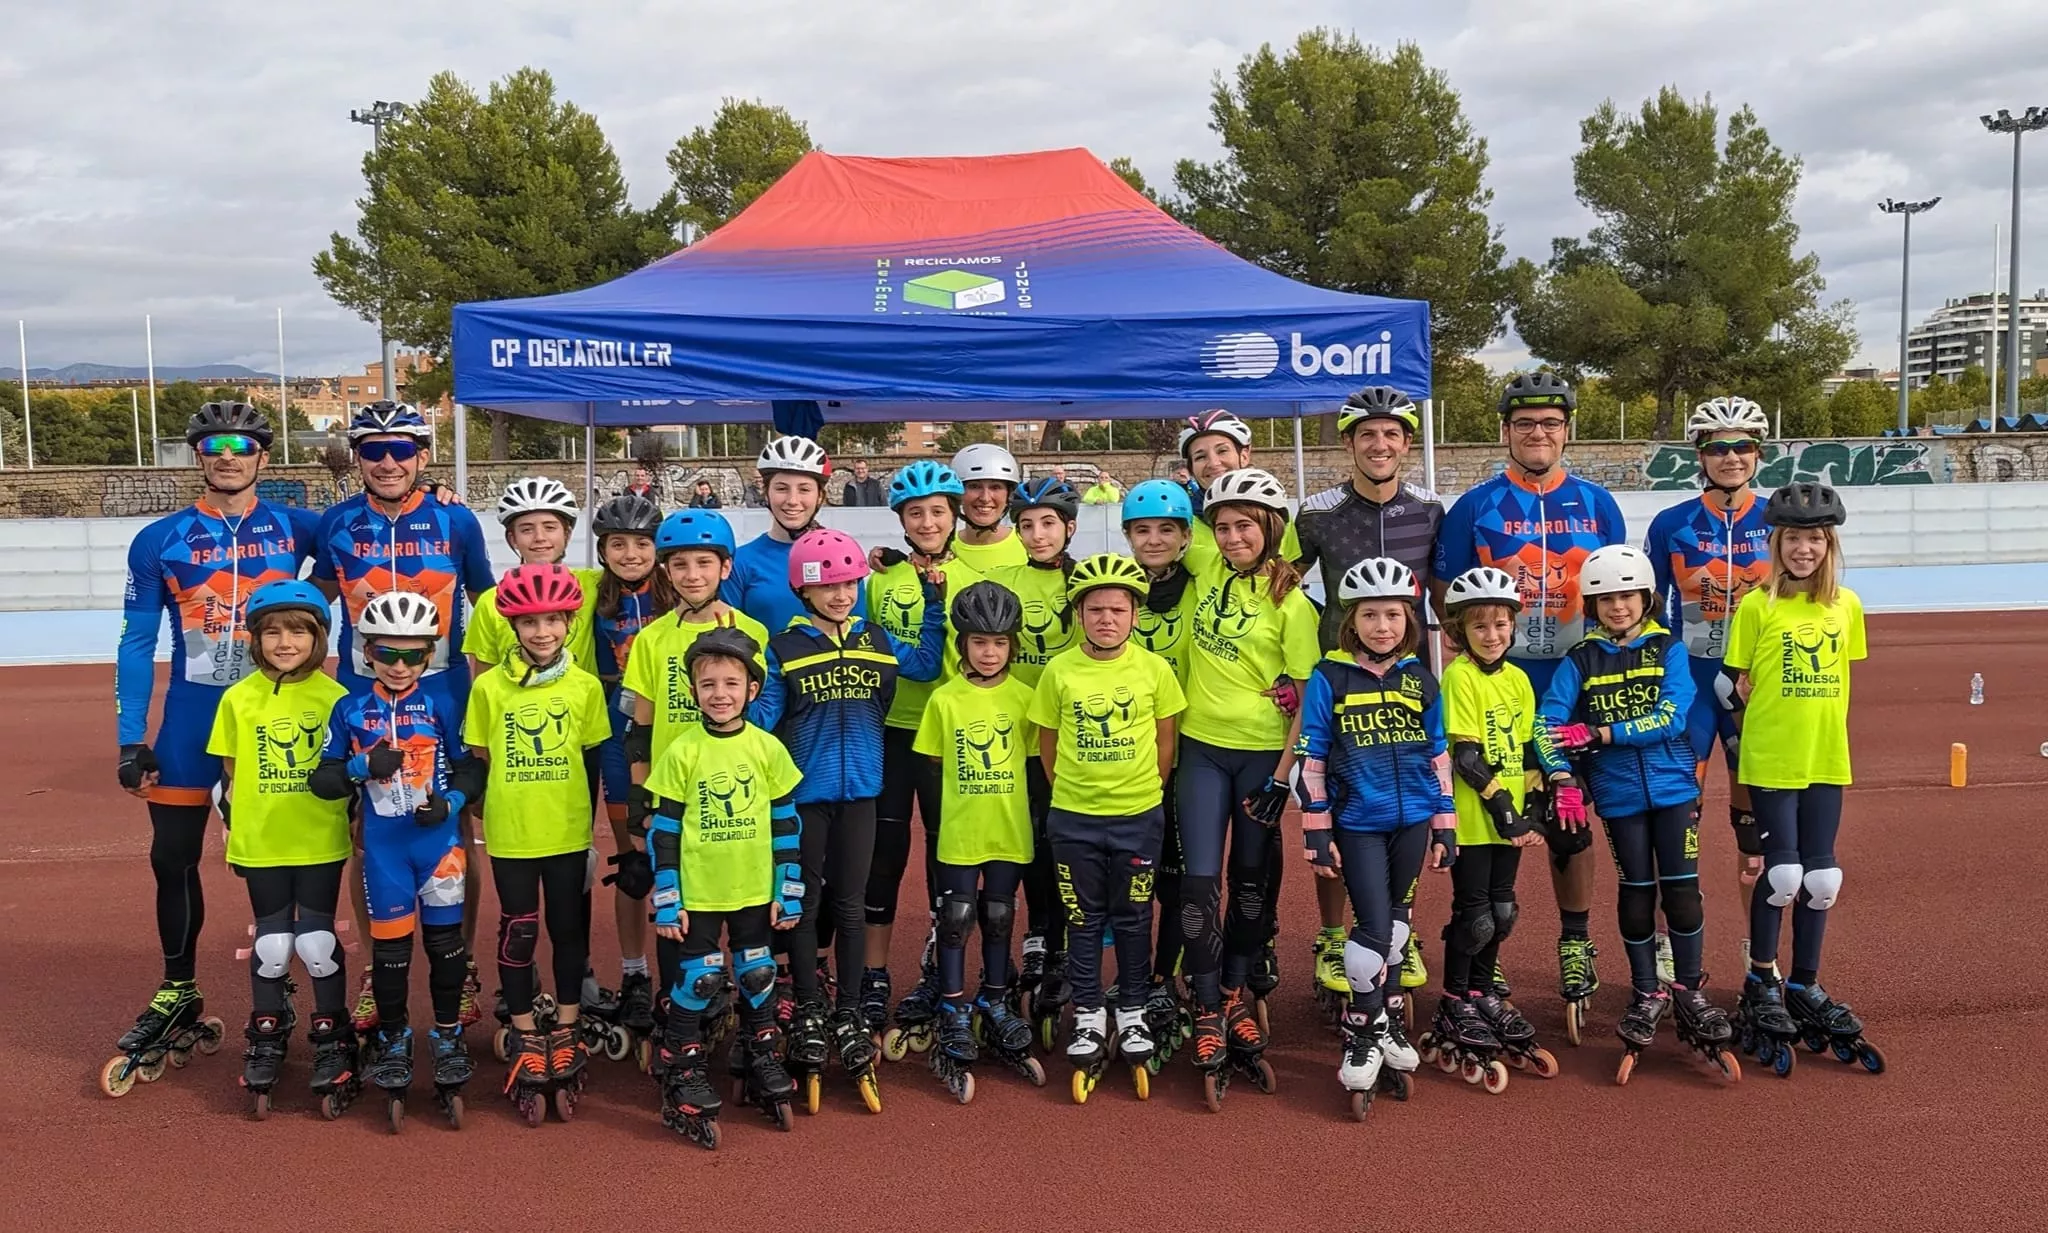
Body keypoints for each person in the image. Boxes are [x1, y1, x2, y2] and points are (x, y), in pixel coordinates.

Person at [113, 400, 320, 1070]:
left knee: (284, 857)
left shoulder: (298, 527)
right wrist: (128, 737)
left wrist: (429, 492)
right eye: (212, 446)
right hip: (191, 718)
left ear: (263, 455)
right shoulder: (159, 539)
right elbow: (138, 641)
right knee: (170, 857)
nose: (227, 456)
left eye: (240, 445)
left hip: (278, 712)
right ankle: (178, 987)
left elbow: (369, 531)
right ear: (198, 456)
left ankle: (279, 983)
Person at [1434, 372, 1626, 1027]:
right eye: (1524, 424)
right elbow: (1446, 594)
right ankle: (1486, 956)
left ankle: (1575, 941)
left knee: (1570, 819)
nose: (1537, 433)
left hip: (1571, 693)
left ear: (1567, 429)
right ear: (1504, 431)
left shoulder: (1600, 506)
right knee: (1500, 819)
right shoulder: (1474, 508)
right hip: (1503, 688)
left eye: (1550, 422)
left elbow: (1616, 600)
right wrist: (1479, 663)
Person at [312, 401, 494, 1029]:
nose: (387, 461)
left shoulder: (455, 520)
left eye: (401, 449)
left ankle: (462, 963)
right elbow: (309, 606)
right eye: (372, 449)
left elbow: (489, 606)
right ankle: (374, 968)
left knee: (457, 829)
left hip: (444, 690)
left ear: (422, 455)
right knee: (370, 832)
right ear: (356, 457)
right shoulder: (334, 523)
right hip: (360, 694)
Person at [755, 528, 944, 1101]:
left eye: (849, 584)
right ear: (804, 591)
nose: (841, 595)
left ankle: (851, 1010)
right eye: (828, 585)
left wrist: (933, 603)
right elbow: (762, 713)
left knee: (854, 905)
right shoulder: (783, 649)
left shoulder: (878, 638)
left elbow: (927, 664)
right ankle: (810, 1008)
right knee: (806, 905)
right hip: (804, 797)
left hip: (863, 790)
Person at [1537, 545, 1737, 1082]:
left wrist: (1602, 733)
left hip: (1673, 788)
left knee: (1682, 891)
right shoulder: (1580, 659)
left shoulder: (1666, 648)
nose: (1618, 607)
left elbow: (1672, 718)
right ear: (1593, 605)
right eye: (1606, 599)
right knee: (1636, 893)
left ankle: (1690, 990)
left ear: (1646, 598)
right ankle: (1647, 991)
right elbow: (1545, 722)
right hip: (1620, 795)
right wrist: (1560, 776)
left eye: (1627, 596)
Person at [1288, 385, 1445, 1028]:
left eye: (1393, 435)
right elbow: (1277, 586)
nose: (1380, 445)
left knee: (1404, 804)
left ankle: (1391, 932)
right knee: (1342, 807)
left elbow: (1440, 592)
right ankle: (1334, 935)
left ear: (1407, 444)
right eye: (1367, 435)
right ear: (1348, 443)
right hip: (1338, 680)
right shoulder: (1318, 511)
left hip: (1407, 682)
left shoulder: (1432, 510)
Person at [1724, 483, 1881, 1075]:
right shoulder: (1756, 606)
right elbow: (1734, 684)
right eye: (1794, 538)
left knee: (1822, 878)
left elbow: (1843, 678)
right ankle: (1761, 976)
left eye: (1815, 538)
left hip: (1825, 757)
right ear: (1777, 543)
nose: (1805, 549)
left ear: (1829, 544)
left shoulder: (1848, 606)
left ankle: (1805, 984)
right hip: (1771, 758)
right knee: (1783, 873)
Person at [310, 589, 482, 1124]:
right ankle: (393, 1037)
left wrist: (451, 802)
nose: (401, 665)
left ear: (430, 656)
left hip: (440, 847)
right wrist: (361, 768)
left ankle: (448, 1036)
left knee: (447, 945)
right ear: (367, 653)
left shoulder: (443, 704)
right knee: (390, 955)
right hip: (384, 850)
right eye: (388, 654)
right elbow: (323, 780)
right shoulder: (349, 708)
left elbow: (473, 770)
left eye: (413, 655)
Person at [1295, 559, 1456, 1111]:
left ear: (1408, 619)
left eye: (1392, 614)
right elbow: (1311, 756)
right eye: (1370, 615)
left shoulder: (1420, 679)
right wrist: (1317, 829)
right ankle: (1361, 1034)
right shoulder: (1330, 676)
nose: (1382, 625)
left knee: (1397, 929)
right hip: (1359, 822)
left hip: (1411, 820)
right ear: (1351, 620)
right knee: (1371, 929)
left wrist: (1444, 823)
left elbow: (1438, 755)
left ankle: (1385, 1022)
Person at [1176, 467, 1320, 1083]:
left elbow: (1310, 693)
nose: (1233, 538)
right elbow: (1155, 536)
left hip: (1263, 757)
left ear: (1271, 529)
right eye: (1224, 527)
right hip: (1201, 748)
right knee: (1200, 883)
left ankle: (1235, 991)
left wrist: (1284, 776)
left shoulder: (1291, 602)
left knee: (1252, 884)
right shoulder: (1206, 565)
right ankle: (1206, 1002)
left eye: (1245, 527)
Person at [1028, 554, 1186, 1100]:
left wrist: (1147, 792)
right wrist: (1070, 793)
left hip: (1138, 815)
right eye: (1095, 609)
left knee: (1136, 915)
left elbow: (1167, 740)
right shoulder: (1059, 671)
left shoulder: (1154, 670)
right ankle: (1091, 1009)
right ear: (1078, 615)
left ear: (1136, 614)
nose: (1107, 619)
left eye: (1118, 609)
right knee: (1083, 917)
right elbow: (1047, 742)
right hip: (1073, 817)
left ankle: (1135, 1006)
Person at [648, 626, 811, 1145]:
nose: (720, 693)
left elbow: (786, 825)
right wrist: (669, 897)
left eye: (731, 683)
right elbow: (665, 831)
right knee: (698, 978)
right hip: (699, 893)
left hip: (752, 889)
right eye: (708, 684)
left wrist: (787, 887)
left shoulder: (767, 749)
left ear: (752, 690)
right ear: (693, 691)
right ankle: (681, 1064)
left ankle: (760, 1054)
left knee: (759, 973)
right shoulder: (682, 751)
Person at [462, 564, 612, 1122]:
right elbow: (479, 761)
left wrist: (589, 832)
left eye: (552, 620)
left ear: (569, 623)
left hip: (568, 831)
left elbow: (593, 762)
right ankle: (526, 1032)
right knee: (519, 930)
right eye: (529, 622)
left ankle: (568, 1025)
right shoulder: (489, 687)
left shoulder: (586, 687)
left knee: (568, 929)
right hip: (511, 832)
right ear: (513, 626)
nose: (542, 632)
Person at [204, 581, 353, 1118]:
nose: (285, 642)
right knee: (271, 947)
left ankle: (332, 1034)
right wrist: (233, 829)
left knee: (315, 942)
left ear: (318, 637)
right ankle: (267, 1031)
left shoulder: (336, 698)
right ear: (256, 639)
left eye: (297, 631)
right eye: (272, 632)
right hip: (262, 842)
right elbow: (232, 773)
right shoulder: (237, 699)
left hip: (318, 839)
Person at [1646, 397, 1775, 958]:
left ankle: (1758, 954)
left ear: (1758, 453)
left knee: (1758, 835)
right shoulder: (1671, 524)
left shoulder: (1778, 517)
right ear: (1699, 454)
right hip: (1694, 685)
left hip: (1757, 688)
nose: (1730, 456)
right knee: (1678, 824)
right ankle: (1667, 945)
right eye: (1718, 447)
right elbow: (1648, 608)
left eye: (1742, 445)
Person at [863, 461, 983, 1048]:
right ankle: (875, 973)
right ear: (901, 521)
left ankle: (942, 965)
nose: (928, 521)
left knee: (946, 854)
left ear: (954, 516)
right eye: (916, 513)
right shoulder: (878, 576)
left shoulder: (976, 572)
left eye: (938, 511)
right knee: (884, 855)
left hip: (952, 733)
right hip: (890, 727)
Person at [912, 581, 1044, 1094]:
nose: (989, 653)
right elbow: (933, 766)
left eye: (1000, 643)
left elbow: (1035, 768)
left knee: (998, 915)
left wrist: (1036, 819)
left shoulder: (1025, 698)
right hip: (962, 831)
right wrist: (940, 825)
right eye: (979, 642)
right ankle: (951, 1005)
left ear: (1013, 645)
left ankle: (994, 998)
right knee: (955, 918)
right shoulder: (945, 700)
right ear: (962, 645)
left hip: (1008, 828)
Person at [1432, 566, 1555, 1089]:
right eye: (1479, 626)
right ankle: (1454, 999)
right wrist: (1504, 808)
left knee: (1503, 913)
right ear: (1460, 631)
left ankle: (1483, 991)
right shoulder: (1459, 677)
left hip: (1508, 820)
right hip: (1475, 819)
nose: (1492, 635)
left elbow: (1527, 747)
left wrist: (1537, 800)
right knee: (1476, 914)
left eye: (1501, 625)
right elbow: (1465, 754)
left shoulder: (1519, 679)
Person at [982, 474, 1083, 1029]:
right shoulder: (1002, 580)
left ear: (1069, 527)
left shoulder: (1085, 580)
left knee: (1055, 844)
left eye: (1048, 523)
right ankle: (1036, 936)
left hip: (1066, 739)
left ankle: (1056, 935)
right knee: (1017, 842)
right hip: (1007, 735)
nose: (1037, 534)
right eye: (1026, 524)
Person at [587, 492, 675, 1050]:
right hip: (621, 740)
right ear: (601, 550)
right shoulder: (586, 600)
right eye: (617, 544)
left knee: (683, 853)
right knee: (634, 861)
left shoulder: (679, 597)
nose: (630, 553)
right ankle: (636, 971)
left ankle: (686, 968)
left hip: (674, 732)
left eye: (642, 543)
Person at [1120, 480, 1200, 1056]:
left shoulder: (1205, 582)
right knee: (1129, 874)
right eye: (1142, 530)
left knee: (1176, 870)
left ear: (1185, 536)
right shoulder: (1114, 590)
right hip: (1125, 750)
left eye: (1166, 529)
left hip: (1188, 742)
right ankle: (1125, 979)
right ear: (1127, 537)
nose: (1154, 540)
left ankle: (1158, 979)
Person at [464, 477, 601, 678]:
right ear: (513, 539)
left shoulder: (593, 584)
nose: (539, 537)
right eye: (526, 529)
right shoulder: (489, 602)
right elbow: (482, 681)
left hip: (581, 705)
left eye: (550, 527)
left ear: (567, 534)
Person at [723, 436, 850, 635]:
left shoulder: (842, 555)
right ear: (766, 494)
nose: (792, 500)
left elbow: (859, 633)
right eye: (781, 488)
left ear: (820, 497)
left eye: (804, 489)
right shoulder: (740, 563)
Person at [1176, 410, 1257, 575]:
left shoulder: (1275, 514)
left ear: (1244, 455)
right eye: (1200, 457)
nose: (1213, 463)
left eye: (1222, 451)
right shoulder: (1181, 522)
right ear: (1191, 468)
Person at [949, 443, 1028, 573]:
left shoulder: (1029, 544)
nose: (985, 498)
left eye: (995, 487)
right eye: (974, 486)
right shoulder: (943, 550)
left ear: (1008, 494)